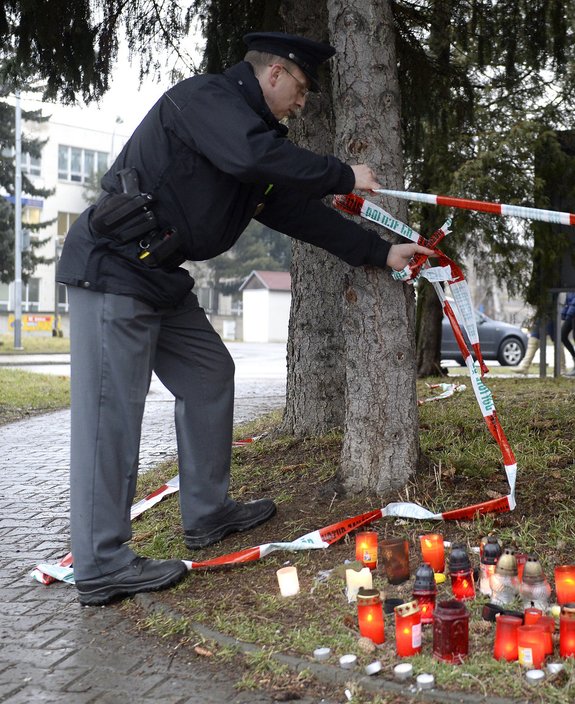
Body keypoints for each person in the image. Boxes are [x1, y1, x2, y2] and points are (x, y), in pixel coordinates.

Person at [56, 31, 433, 606]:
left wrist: (379, 252)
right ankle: (102, 564)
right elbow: (251, 155)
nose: (302, 103)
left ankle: (207, 514)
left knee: (209, 375)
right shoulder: (207, 101)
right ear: (275, 73)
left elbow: (296, 212)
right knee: (111, 419)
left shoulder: (252, 142)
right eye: (301, 89)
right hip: (112, 271)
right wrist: (341, 173)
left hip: (158, 275)